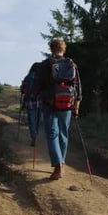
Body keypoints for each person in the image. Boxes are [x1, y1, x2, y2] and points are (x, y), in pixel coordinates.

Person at [35, 38, 82, 180]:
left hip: (49, 103)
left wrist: (37, 98)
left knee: (52, 133)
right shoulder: (71, 64)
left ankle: (58, 165)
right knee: (63, 134)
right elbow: (78, 88)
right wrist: (76, 107)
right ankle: (61, 162)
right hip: (67, 104)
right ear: (64, 49)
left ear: (51, 49)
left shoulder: (44, 65)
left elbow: (37, 86)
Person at [20, 62, 42, 147]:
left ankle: (33, 137)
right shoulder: (40, 78)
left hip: (30, 102)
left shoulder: (27, 77)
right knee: (38, 120)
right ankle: (36, 135)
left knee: (31, 121)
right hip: (40, 102)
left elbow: (23, 89)